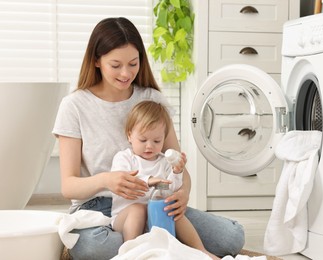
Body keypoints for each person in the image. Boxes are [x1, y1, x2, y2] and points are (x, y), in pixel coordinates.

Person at [52, 17, 244, 260]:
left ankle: (152, 242)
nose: (126, 73)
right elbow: (68, 185)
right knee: (93, 248)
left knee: (232, 238)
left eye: (133, 63)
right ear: (96, 61)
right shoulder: (75, 105)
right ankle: (158, 242)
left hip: (155, 200)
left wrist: (183, 193)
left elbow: (176, 162)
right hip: (100, 206)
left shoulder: (152, 99)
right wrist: (108, 180)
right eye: (116, 65)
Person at [111, 100, 219, 260]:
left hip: (155, 215)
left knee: (173, 209)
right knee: (138, 209)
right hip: (125, 217)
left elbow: (172, 188)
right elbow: (124, 180)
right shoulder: (125, 158)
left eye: (157, 141)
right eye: (143, 140)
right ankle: (130, 252)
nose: (149, 146)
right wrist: (149, 180)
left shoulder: (163, 161)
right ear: (129, 135)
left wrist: (177, 172)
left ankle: (201, 251)